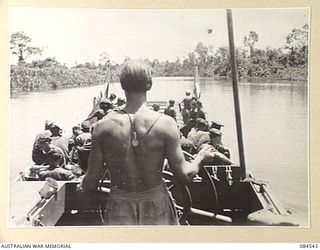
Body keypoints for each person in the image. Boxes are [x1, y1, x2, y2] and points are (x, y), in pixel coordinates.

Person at [78, 60, 218, 225]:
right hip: (157, 208)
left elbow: (90, 183)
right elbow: (185, 176)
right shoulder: (166, 124)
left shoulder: (101, 127)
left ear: (123, 86)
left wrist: (82, 183)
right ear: (149, 85)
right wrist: (200, 157)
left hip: (119, 209)